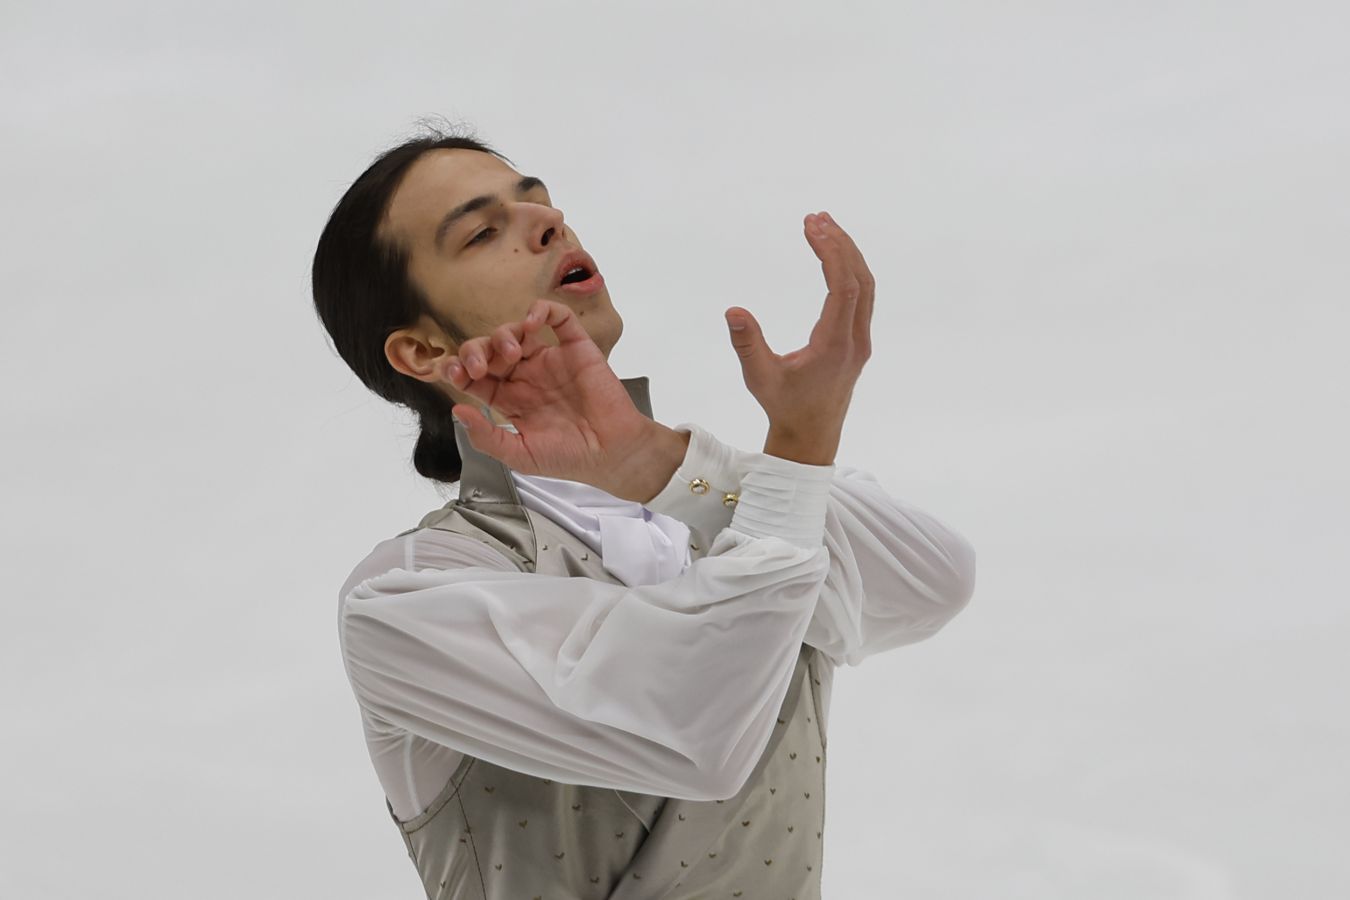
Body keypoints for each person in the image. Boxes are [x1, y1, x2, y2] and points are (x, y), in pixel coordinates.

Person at [312, 126, 977, 900]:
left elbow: (934, 583)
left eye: (539, 202)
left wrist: (662, 466)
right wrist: (797, 449)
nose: (548, 222)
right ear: (423, 353)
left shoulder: (728, 501)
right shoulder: (403, 598)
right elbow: (698, 734)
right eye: (484, 232)